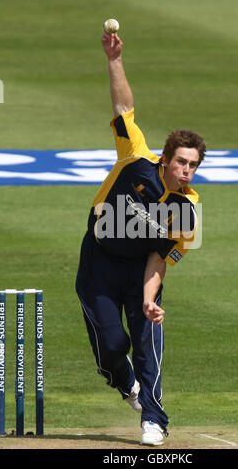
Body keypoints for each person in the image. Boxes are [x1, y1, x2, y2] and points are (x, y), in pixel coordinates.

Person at [75, 30, 206, 446]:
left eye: (193, 166)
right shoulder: (136, 161)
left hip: (140, 271)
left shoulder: (186, 209)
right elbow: (124, 108)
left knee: (148, 342)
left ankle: (154, 419)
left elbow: (159, 257)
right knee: (113, 346)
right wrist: (114, 60)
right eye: (181, 162)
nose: (186, 170)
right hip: (99, 260)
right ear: (165, 159)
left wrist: (150, 299)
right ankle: (124, 383)